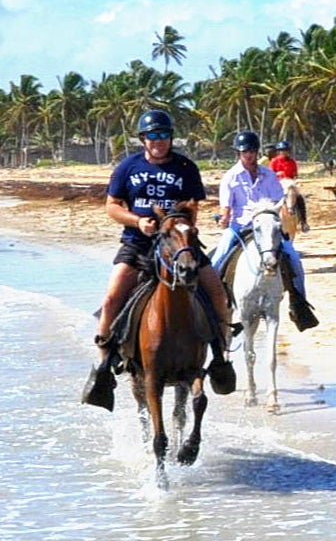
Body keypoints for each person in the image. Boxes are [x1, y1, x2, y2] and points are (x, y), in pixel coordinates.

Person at [82, 108, 232, 408]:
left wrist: (178, 229)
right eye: (153, 136)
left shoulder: (186, 168)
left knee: (216, 291)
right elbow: (112, 207)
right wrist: (138, 221)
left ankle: (220, 355)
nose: (159, 141)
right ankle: (103, 366)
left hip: (177, 242)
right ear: (143, 139)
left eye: (164, 135)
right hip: (137, 243)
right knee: (112, 299)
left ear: (171, 138)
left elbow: (193, 209)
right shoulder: (128, 167)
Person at [214, 130, 318, 330]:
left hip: (266, 226)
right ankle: (212, 304)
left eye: (252, 151)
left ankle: (299, 305)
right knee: (217, 259)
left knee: (294, 259)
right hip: (241, 226)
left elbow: (277, 201)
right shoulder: (230, 177)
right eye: (245, 152)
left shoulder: (269, 175)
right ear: (238, 153)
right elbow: (225, 208)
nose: (249, 155)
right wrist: (224, 218)